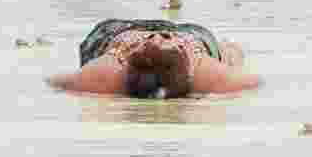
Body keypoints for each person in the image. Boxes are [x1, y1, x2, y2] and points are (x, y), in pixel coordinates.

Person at [46, 19, 261, 98]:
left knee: (229, 54)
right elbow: (253, 82)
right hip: (192, 35)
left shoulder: (106, 72)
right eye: (161, 39)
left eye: (148, 43)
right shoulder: (204, 70)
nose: (154, 35)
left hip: (118, 31)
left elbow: (55, 81)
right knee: (229, 53)